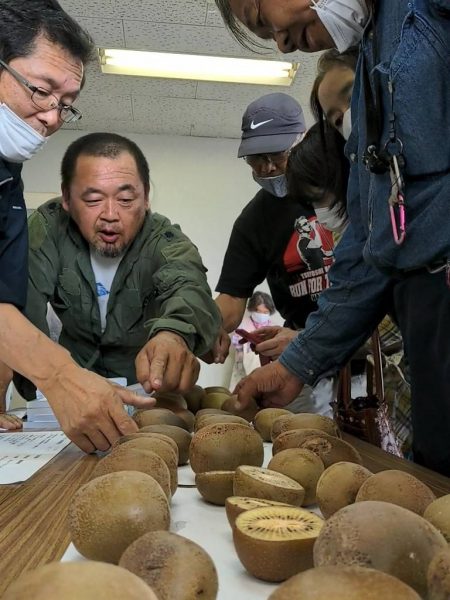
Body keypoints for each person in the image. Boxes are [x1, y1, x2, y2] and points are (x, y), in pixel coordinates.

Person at [215, 0, 450, 475]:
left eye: (265, 20)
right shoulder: (371, 62)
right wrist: (296, 363)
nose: (281, 43)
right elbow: (368, 251)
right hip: (426, 321)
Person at [0, 1, 154, 449]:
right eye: (41, 90)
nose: (51, 118)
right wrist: (60, 376)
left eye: (66, 104)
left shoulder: (8, 177)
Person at [6, 132, 221, 408]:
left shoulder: (164, 241)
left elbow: (188, 285)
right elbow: (20, 306)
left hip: (145, 392)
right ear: (67, 199)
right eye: (93, 200)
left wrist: (174, 334)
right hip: (71, 388)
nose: (110, 214)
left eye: (126, 200)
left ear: (146, 199)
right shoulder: (48, 231)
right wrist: (40, 384)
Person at [211, 92, 335, 415]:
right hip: (305, 370)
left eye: (276, 153)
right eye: (255, 157)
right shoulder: (255, 222)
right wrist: (201, 329)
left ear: (302, 140)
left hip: (370, 357)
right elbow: (230, 302)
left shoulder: (340, 187)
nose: (266, 167)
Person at [229, 291, 275, 389]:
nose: (262, 315)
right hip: (242, 369)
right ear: (252, 309)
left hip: (265, 373)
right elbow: (237, 346)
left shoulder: (273, 328)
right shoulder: (242, 325)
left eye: (265, 312)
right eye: (258, 311)